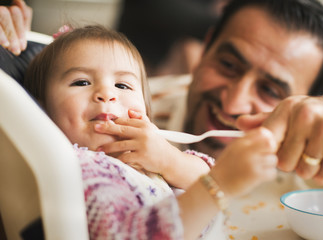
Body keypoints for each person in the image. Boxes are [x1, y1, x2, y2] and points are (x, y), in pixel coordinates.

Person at [3, 0, 323, 186]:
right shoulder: (125, 107)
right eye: (229, 65)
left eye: (269, 90)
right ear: (205, 48)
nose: (232, 102)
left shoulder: (316, 152)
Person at [24, 25, 278, 239]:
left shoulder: (149, 155)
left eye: (122, 85)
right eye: (81, 82)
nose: (107, 94)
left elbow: (201, 174)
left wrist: (171, 160)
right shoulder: (83, 171)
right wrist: (218, 186)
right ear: (41, 109)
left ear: (146, 110)